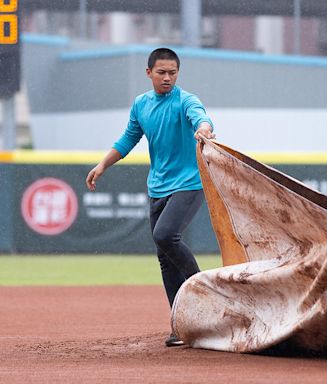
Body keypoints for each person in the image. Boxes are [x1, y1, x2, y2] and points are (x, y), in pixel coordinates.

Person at [86, 47, 215, 347]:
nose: (167, 77)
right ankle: (181, 324)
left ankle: (204, 289)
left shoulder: (185, 100)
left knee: (166, 234)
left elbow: (201, 117)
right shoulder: (141, 105)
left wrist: (204, 129)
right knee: (164, 256)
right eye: (161, 72)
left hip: (189, 183)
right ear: (149, 73)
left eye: (172, 72)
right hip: (158, 187)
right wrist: (103, 164)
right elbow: (129, 137)